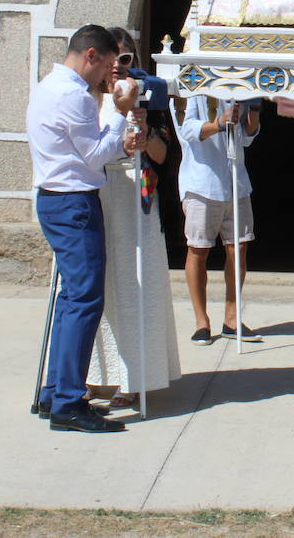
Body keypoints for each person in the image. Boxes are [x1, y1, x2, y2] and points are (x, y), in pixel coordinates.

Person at [27, 24, 145, 434]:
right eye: (107, 65)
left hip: (56, 198)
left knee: (71, 300)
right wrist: (120, 111)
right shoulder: (74, 95)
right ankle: (68, 401)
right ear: (91, 55)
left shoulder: (49, 86)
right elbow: (96, 156)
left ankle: (56, 390)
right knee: (83, 301)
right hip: (73, 201)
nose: (106, 75)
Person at [89, 28, 181, 409]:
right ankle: (95, 376)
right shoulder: (86, 97)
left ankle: (135, 378)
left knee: (134, 286)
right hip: (96, 197)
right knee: (95, 288)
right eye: (111, 59)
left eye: (124, 58)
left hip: (133, 198)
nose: (117, 66)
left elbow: (163, 153)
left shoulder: (146, 97)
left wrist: (144, 135)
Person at [173, 94, 262, 345]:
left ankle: (231, 319)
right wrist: (218, 123)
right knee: (198, 250)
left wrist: (254, 110)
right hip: (202, 184)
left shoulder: (238, 88)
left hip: (236, 181)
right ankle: (201, 322)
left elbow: (246, 137)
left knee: (238, 248)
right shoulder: (191, 87)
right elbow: (186, 128)